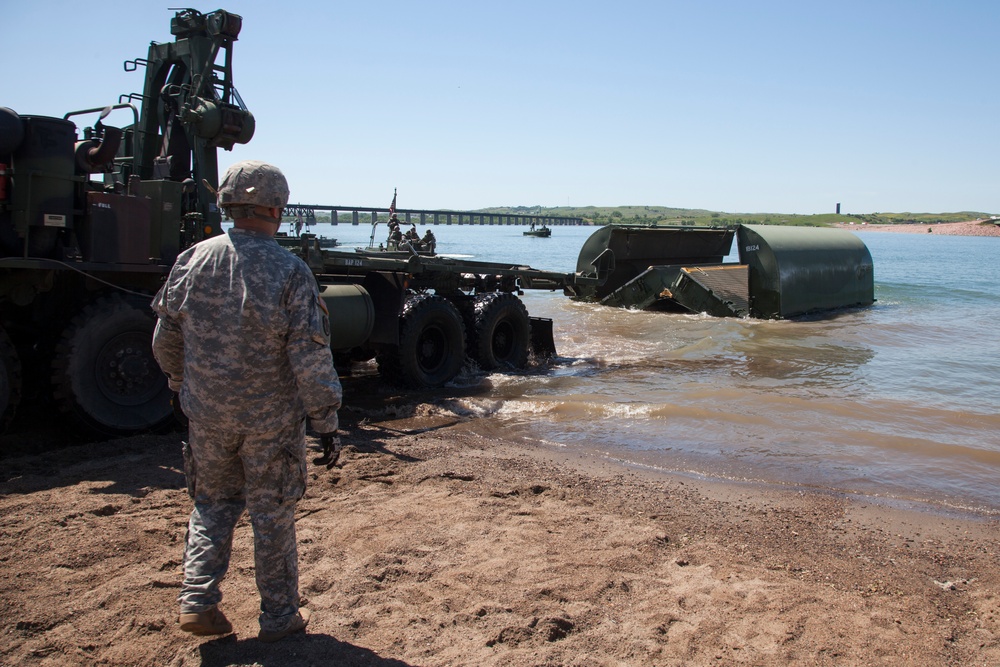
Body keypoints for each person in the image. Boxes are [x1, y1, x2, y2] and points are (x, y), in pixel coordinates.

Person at [150, 160, 342, 643]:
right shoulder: (290, 271)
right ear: (277, 208)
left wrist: (180, 385)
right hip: (271, 422)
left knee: (212, 503)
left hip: (208, 416)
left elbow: (164, 340)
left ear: (230, 204)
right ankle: (279, 617)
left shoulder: (192, 259)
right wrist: (326, 420)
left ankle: (197, 601)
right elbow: (310, 359)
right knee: (272, 513)